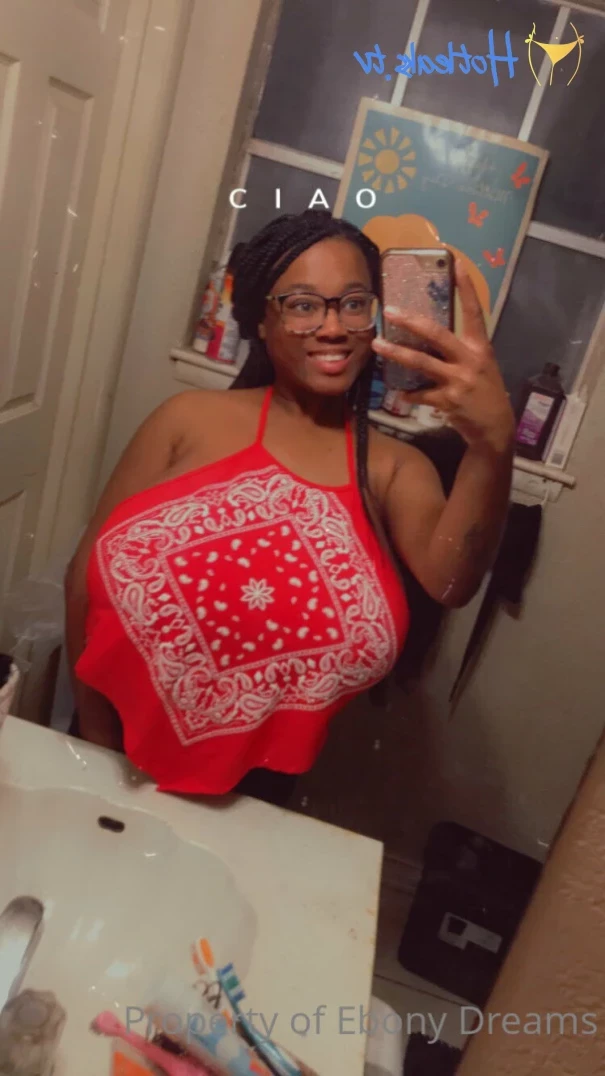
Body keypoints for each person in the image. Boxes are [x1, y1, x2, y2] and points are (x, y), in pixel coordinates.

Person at [64, 210, 515, 805]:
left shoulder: (395, 469)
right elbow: (84, 578)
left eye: (354, 304)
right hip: (103, 752)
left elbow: (451, 581)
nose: (333, 327)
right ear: (261, 318)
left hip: (254, 796)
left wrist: (492, 444)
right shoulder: (186, 420)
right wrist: (95, 744)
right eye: (303, 305)